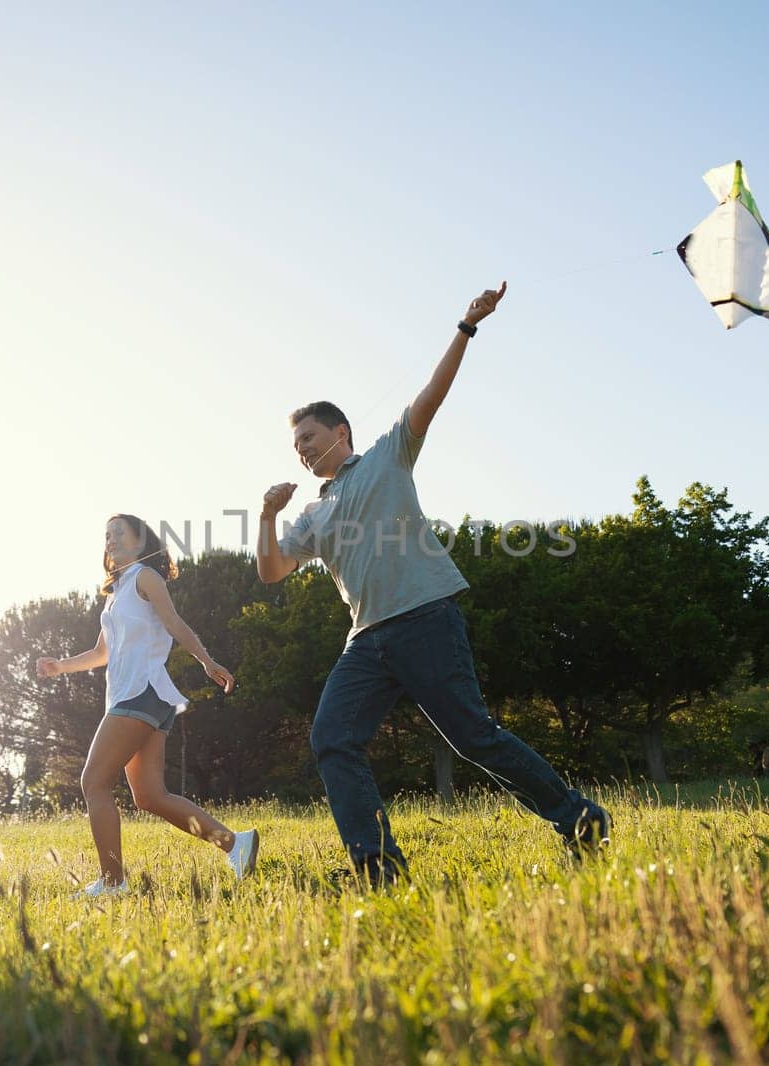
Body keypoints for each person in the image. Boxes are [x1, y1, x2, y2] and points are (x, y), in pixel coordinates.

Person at [255, 282, 611, 884]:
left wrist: (465, 328)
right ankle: (377, 866)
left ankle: (580, 821)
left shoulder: (389, 456)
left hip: (423, 616)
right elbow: (271, 571)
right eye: (294, 447)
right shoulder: (311, 514)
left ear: (340, 432)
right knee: (332, 739)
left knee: (474, 738)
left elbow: (431, 396)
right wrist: (265, 517)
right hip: (365, 640)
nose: (301, 452)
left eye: (308, 440)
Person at [37, 514, 258, 897]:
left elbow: (174, 624)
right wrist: (60, 667)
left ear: (141, 542)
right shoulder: (117, 589)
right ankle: (235, 844)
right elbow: (100, 652)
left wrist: (206, 660)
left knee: (94, 781)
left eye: (119, 533)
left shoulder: (145, 577)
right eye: (106, 534)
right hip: (138, 695)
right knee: (150, 796)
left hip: (141, 692)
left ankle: (112, 881)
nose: (110, 540)